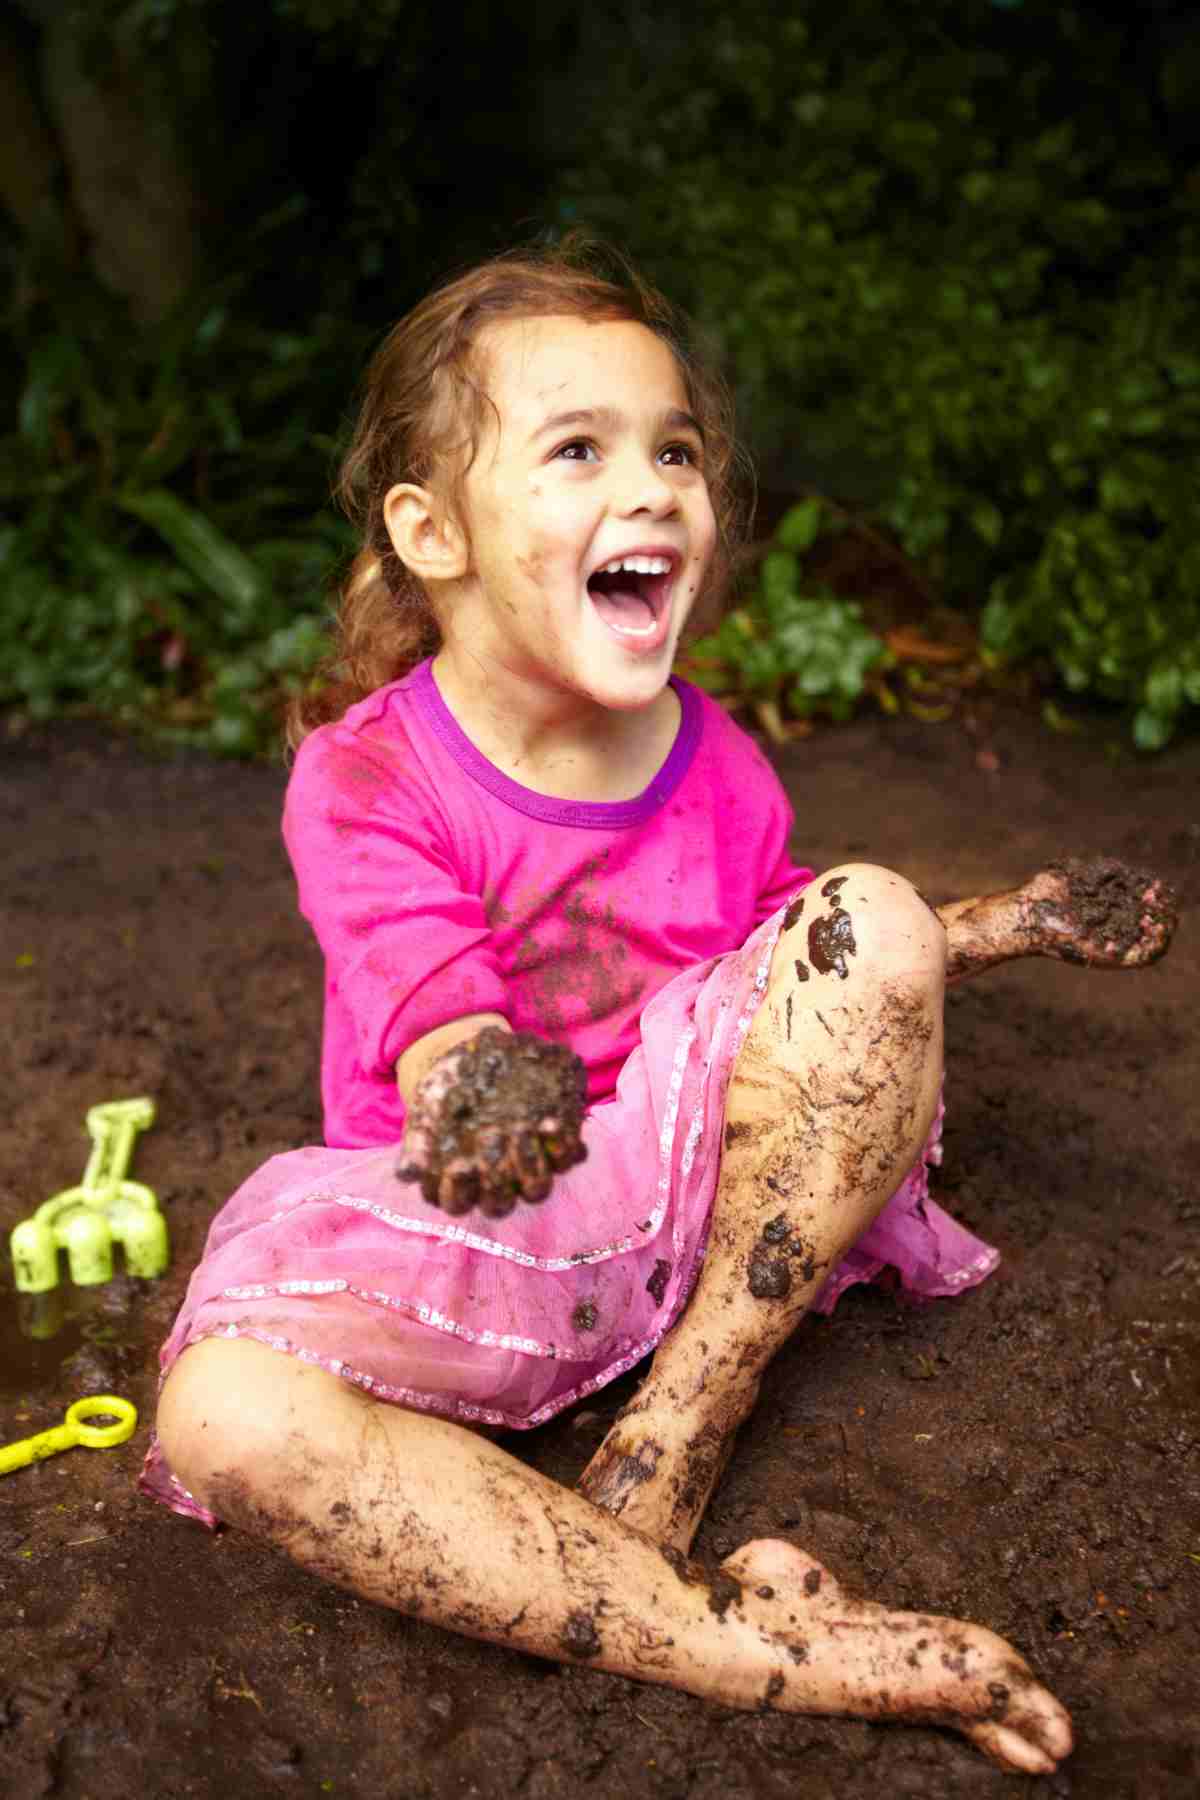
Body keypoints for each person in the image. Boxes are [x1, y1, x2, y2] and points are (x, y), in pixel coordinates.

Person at [146, 242, 1176, 1777]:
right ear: (433, 534)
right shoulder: (364, 778)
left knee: (873, 903)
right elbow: (436, 1020)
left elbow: (802, 976)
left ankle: (669, 1443)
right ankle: (745, 1641)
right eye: (578, 450)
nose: (655, 488)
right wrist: (479, 1087)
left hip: (714, 1216)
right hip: (499, 1231)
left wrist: (1007, 926)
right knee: (220, 1413)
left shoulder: (723, 762)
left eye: (675, 449)